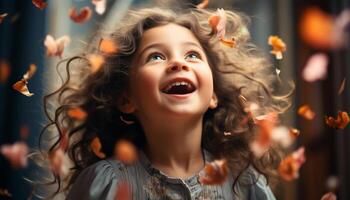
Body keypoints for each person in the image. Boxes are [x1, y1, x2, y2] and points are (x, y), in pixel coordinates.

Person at [40, 6, 291, 200]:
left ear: (213, 94)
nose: (178, 63)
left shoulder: (244, 182)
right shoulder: (106, 183)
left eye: (192, 54)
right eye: (156, 56)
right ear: (127, 99)